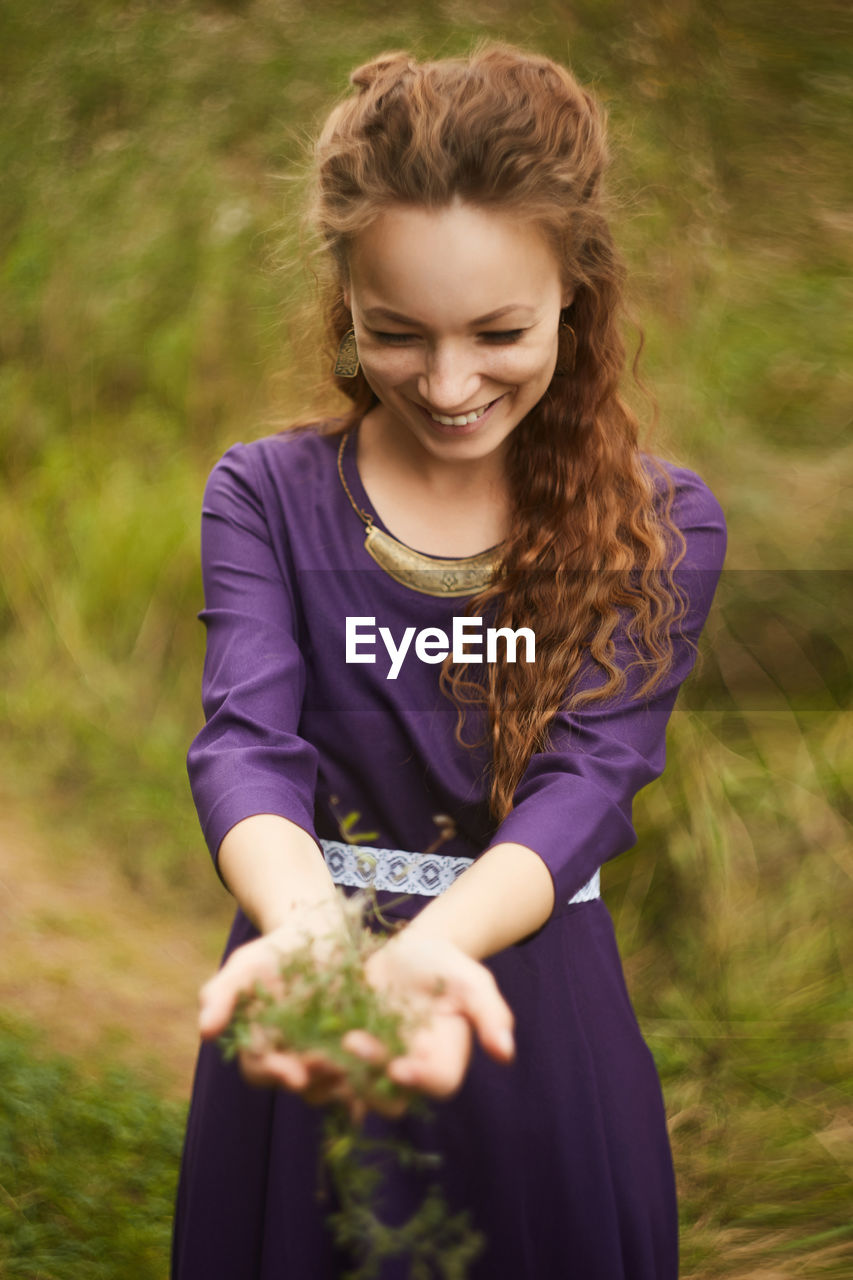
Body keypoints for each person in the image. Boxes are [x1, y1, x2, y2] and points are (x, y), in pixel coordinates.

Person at [171, 42, 726, 1280]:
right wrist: (319, 937)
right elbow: (247, 744)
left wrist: (430, 950)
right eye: (396, 333)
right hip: (311, 987)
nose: (451, 381)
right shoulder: (261, 494)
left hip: (535, 1011)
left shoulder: (665, 520)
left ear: (575, 292)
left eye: (499, 332)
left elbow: (590, 780)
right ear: (344, 303)